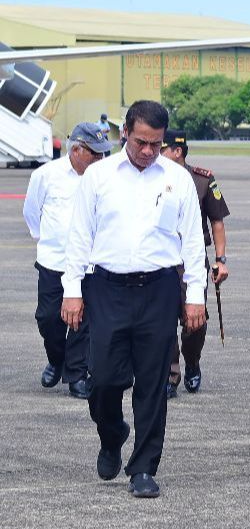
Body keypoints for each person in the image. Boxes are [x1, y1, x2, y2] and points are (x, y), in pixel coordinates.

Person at [61, 100, 207, 499]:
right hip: (106, 288)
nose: (148, 151)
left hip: (159, 289)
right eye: (141, 142)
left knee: (153, 382)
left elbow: (193, 242)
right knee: (105, 380)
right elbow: (79, 236)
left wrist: (195, 296)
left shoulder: (177, 178)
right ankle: (112, 435)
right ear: (124, 132)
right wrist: (72, 290)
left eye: (156, 145)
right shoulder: (99, 176)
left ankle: (144, 466)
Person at [23, 122, 111, 398]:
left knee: (81, 321)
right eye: (94, 154)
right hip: (53, 261)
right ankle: (56, 359)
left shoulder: (103, 177)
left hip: (88, 263)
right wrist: (49, 241)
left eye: (103, 154)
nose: (100, 159)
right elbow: (31, 212)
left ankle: (77, 375)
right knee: (48, 319)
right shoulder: (45, 175)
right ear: (76, 150)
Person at [160, 130, 230, 398]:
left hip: (192, 258)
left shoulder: (202, 179)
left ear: (177, 151)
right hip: (162, 259)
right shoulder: (152, 177)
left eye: (162, 147)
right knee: (164, 321)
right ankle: (170, 375)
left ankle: (192, 362)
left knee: (195, 323)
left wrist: (220, 260)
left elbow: (217, 221)